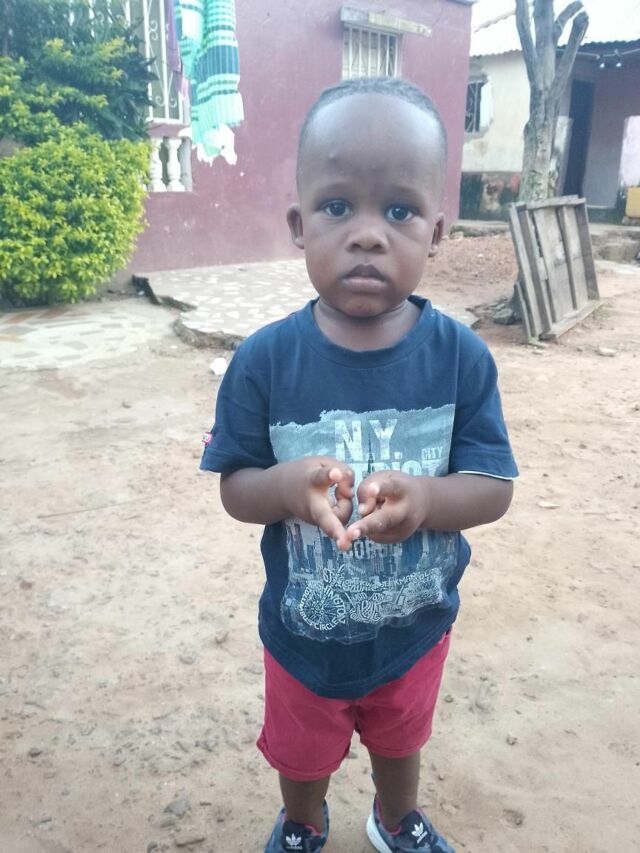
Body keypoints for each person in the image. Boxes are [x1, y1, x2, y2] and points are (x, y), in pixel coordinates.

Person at [200, 76, 518, 853]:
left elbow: (492, 488)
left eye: (399, 211)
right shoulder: (264, 361)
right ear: (299, 224)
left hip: (416, 627)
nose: (369, 235)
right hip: (303, 636)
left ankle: (395, 817)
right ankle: (304, 822)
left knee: (401, 741)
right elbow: (237, 488)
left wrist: (427, 501)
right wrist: (287, 486)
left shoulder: (461, 360)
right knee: (301, 755)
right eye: (339, 206)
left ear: (437, 231)